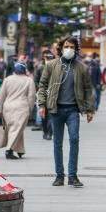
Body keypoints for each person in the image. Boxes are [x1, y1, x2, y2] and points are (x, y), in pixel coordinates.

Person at [37, 37, 95, 188]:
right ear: (61, 48)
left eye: (72, 47)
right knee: (57, 143)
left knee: (74, 140)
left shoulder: (81, 68)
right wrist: (42, 105)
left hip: (73, 110)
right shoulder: (51, 65)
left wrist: (89, 109)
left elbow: (88, 89)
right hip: (56, 110)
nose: (69, 49)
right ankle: (59, 176)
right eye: (66, 46)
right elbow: (42, 85)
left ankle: (73, 176)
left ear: (76, 49)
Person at [0, 63, 36, 159]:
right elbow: (31, 96)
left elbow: (2, 95)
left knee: (15, 129)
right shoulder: (29, 81)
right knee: (16, 129)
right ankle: (9, 150)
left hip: (8, 107)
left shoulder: (7, 80)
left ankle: (20, 150)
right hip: (22, 108)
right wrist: (30, 108)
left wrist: (0, 108)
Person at [34, 49, 55, 140]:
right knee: (43, 114)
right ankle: (45, 130)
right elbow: (36, 80)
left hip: (53, 94)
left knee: (51, 114)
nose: (49, 59)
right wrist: (38, 89)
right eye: (47, 58)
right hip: (42, 93)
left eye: (50, 58)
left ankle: (50, 133)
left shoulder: (56, 68)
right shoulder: (40, 67)